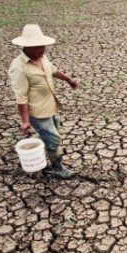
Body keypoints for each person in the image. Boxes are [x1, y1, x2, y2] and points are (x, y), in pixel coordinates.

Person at [8, 24, 78, 178]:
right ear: (26, 47)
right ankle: (57, 168)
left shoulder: (41, 57)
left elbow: (53, 70)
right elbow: (21, 98)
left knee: (52, 134)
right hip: (38, 112)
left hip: (50, 106)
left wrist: (69, 80)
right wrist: (25, 122)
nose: (42, 50)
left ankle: (37, 141)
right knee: (53, 140)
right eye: (38, 47)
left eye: (43, 46)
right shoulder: (19, 68)